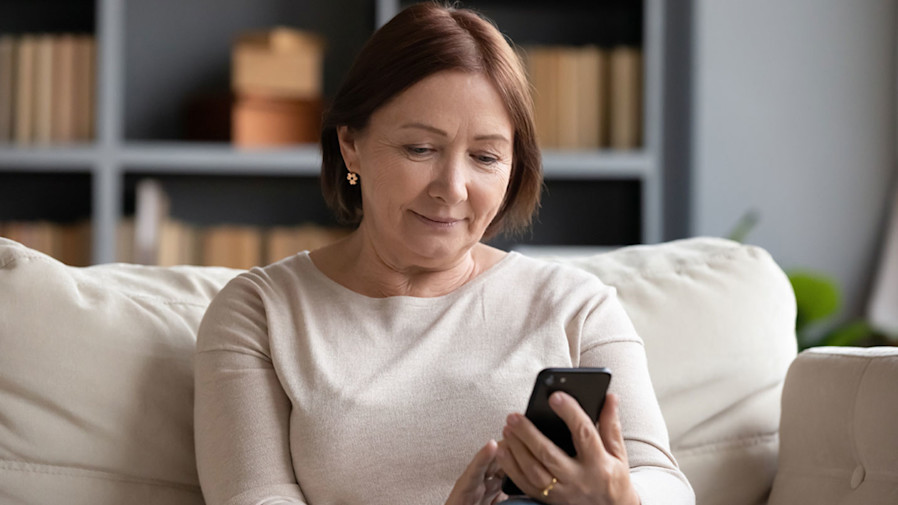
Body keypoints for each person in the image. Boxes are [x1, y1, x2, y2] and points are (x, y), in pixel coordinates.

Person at [193, 3, 695, 505]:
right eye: (420, 149)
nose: (453, 189)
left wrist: (622, 500)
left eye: (485, 157)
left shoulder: (576, 307)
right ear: (350, 145)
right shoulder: (258, 313)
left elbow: (665, 483)